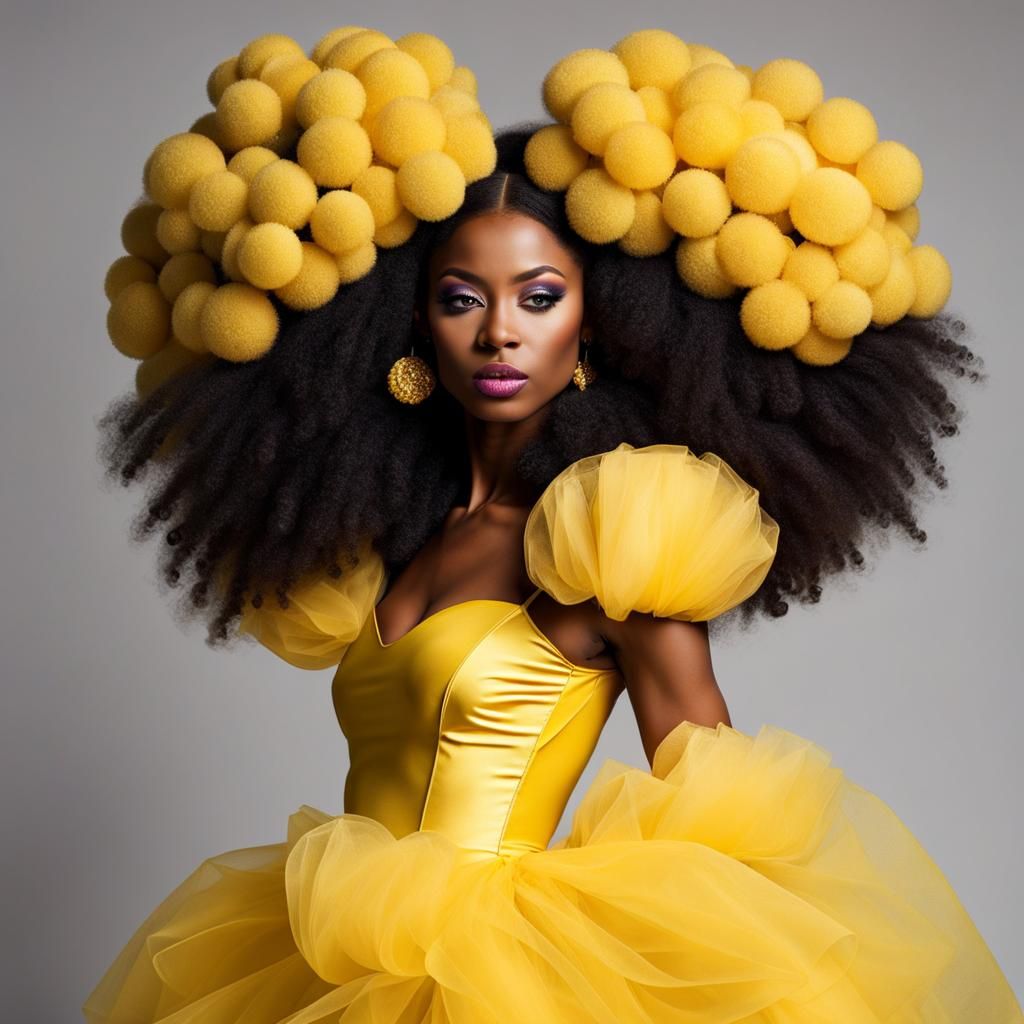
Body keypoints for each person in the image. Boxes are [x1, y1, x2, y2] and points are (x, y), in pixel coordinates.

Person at [86, 25, 1023, 1022]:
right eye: (461, 299)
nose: (498, 330)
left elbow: (718, 813)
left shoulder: (610, 541)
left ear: (591, 323)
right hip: (329, 957)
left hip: (504, 980)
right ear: (410, 330)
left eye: (538, 297)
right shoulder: (384, 549)